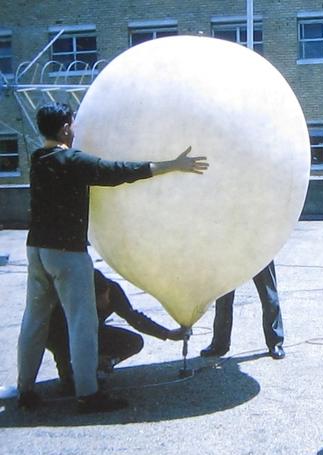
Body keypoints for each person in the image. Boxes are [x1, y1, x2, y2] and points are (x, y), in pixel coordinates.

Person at [17, 102, 208, 413]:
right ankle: (88, 395)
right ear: (66, 128)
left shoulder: (39, 159)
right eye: (73, 122)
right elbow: (118, 171)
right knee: (83, 323)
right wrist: (172, 164)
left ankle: (26, 391)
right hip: (66, 252)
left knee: (34, 320)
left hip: (36, 249)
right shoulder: (71, 160)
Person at [46, 269, 186, 394]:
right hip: (66, 336)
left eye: (104, 295)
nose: (104, 301)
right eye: (98, 299)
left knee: (134, 342)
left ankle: (100, 366)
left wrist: (166, 333)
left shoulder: (112, 290)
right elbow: (56, 338)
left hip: (94, 333)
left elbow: (133, 317)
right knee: (70, 386)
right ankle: (71, 376)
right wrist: (68, 370)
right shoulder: (71, 299)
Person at [200, 261, 285, 360]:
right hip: (229, 249)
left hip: (259, 249)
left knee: (269, 294)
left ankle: (275, 342)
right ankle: (219, 344)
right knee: (223, 295)